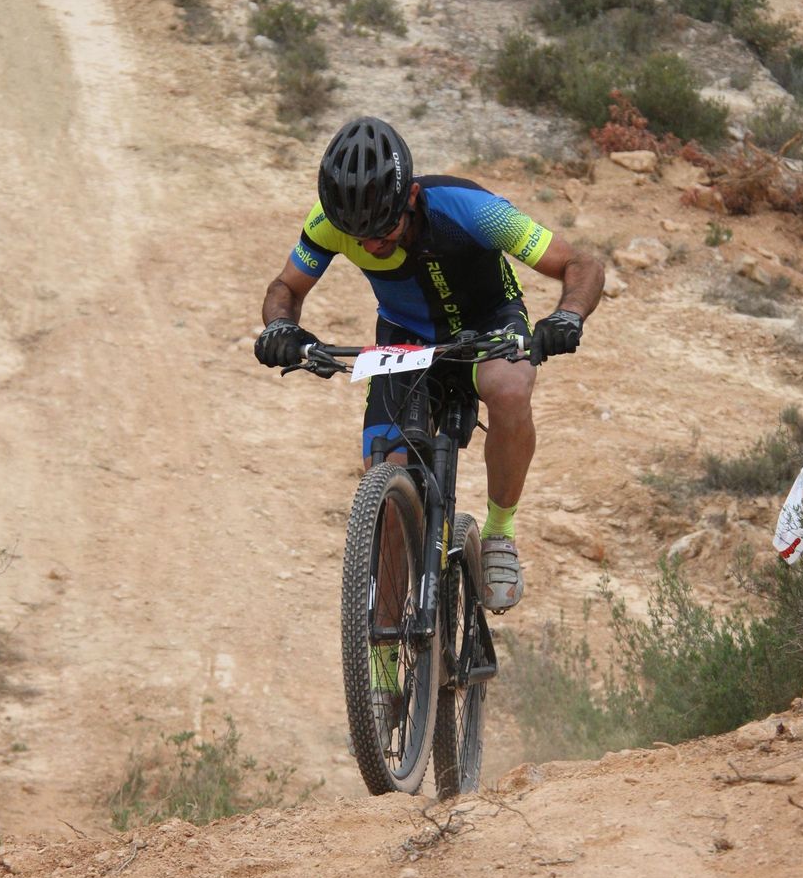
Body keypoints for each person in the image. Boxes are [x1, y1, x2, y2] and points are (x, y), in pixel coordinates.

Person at [254, 116, 604, 613]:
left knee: (509, 388)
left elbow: (581, 264)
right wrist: (279, 327)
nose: (371, 246)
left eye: (383, 231)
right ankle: (379, 656)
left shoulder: (472, 209)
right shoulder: (329, 223)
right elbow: (285, 288)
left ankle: (499, 533)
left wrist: (568, 314)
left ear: (412, 197)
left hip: (488, 322)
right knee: (388, 501)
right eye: (358, 236)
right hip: (405, 338)